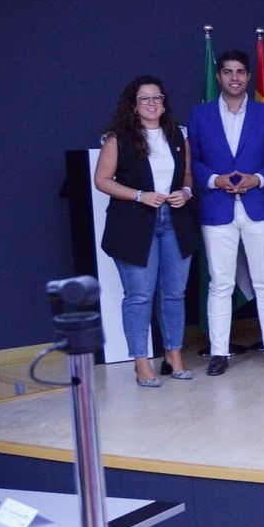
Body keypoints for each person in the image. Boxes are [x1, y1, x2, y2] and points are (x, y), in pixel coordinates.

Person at [94, 76, 199, 387]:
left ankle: (174, 356)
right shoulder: (118, 139)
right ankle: (141, 362)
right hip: (134, 223)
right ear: (133, 105)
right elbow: (102, 180)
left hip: (176, 221)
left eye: (158, 97)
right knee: (139, 295)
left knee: (174, 293)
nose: (153, 103)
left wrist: (187, 192)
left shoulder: (179, 136)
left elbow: (188, 175)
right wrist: (139, 195)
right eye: (145, 99)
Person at [188, 48, 264, 375]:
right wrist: (215, 180)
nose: (234, 77)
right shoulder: (200, 115)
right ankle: (219, 352)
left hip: (259, 205)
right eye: (227, 72)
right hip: (217, 208)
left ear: (247, 76)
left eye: (240, 72)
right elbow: (194, 161)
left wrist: (257, 179)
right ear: (218, 76)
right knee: (220, 284)